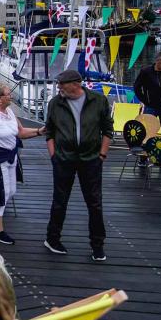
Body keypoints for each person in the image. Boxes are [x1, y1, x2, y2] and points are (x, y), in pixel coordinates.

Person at [44, 70, 113, 261]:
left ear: (76, 84)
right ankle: (52, 239)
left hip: (91, 159)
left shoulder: (98, 101)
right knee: (60, 201)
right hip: (63, 159)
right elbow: (49, 131)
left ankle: (97, 245)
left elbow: (108, 129)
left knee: (95, 203)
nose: (59, 87)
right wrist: (53, 157)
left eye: (61, 84)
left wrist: (102, 154)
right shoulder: (55, 103)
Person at [0, 82, 45, 245]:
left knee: (11, 190)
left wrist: (39, 131)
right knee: (2, 194)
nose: (11, 96)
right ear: (0, 98)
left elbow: (19, 132)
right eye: (8, 94)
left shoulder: (9, 111)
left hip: (10, 157)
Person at [133, 53, 161, 140]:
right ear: (157, 61)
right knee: (148, 132)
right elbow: (137, 87)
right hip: (151, 106)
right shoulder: (146, 72)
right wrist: (145, 100)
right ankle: (147, 149)